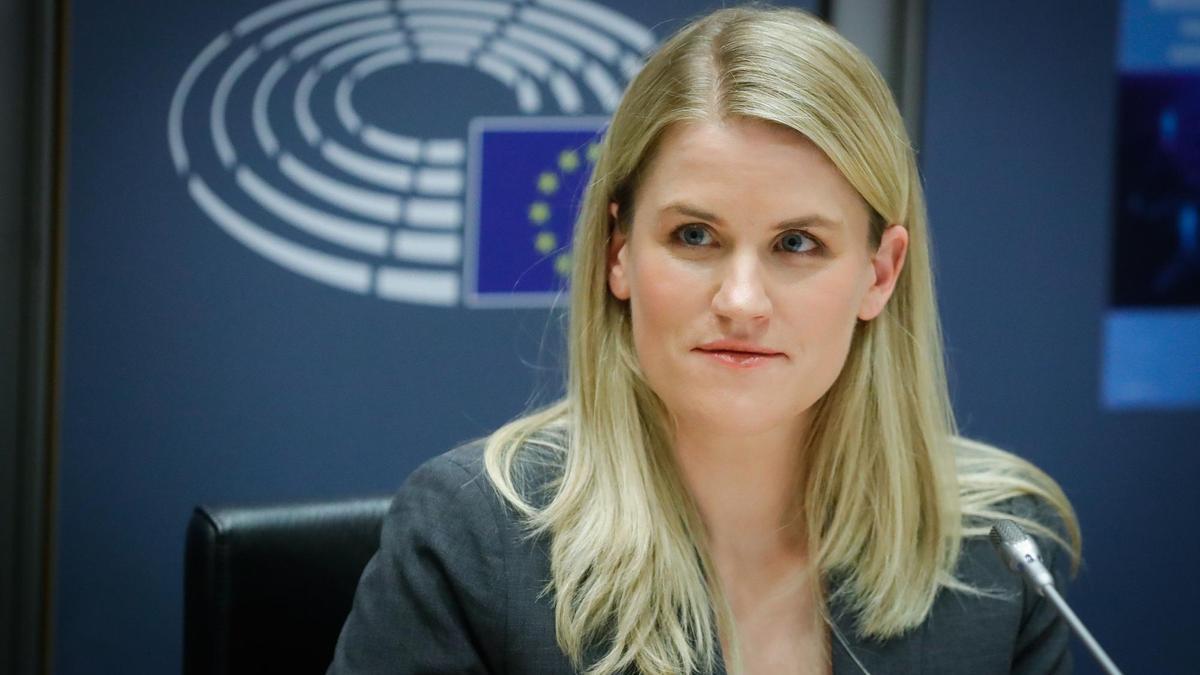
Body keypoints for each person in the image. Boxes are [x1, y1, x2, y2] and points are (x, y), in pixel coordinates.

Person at [327, 6, 1080, 674]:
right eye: (695, 235)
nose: (741, 300)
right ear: (618, 252)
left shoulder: (996, 553)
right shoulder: (470, 545)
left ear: (879, 274)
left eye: (797, 244)